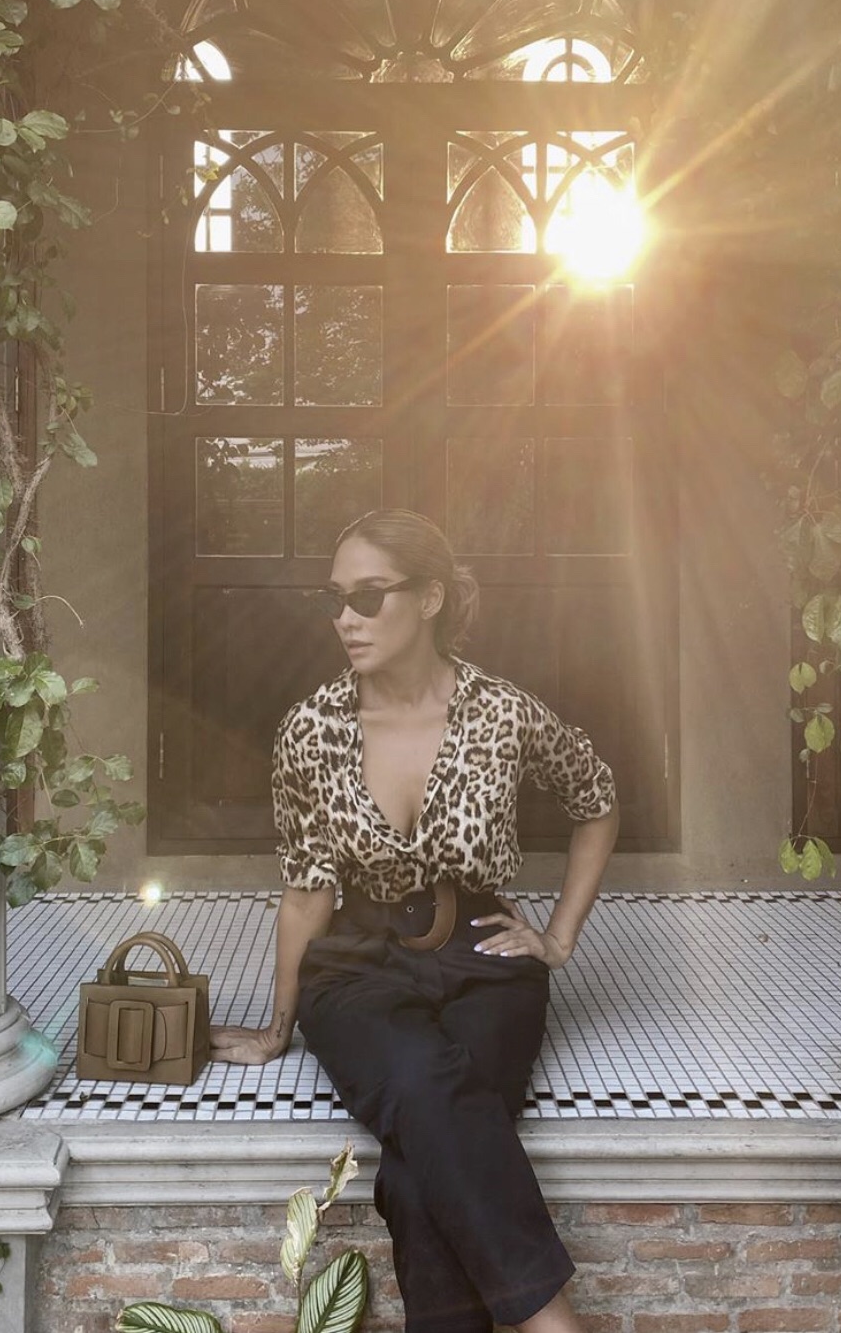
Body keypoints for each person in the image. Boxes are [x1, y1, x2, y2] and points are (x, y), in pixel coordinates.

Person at [211, 509, 619, 1333]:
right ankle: (555, 1321)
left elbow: (597, 798)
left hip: (485, 955)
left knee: (421, 1163)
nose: (346, 619)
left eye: (368, 597)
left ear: (430, 598)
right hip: (357, 965)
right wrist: (278, 1026)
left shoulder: (502, 713)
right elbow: (306, 890)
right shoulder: (310, 730)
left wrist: (557, 938)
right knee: (434, 1089)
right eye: (335, 599)